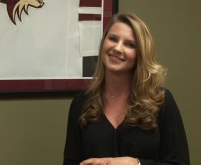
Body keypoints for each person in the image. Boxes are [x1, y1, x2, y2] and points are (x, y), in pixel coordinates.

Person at [63, 13, 190, 165]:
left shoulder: (161, 101)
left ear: (140, 54)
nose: (117, 48)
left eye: (130, 44)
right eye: (113, 39)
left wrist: (135, 164)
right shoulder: (81, 103)